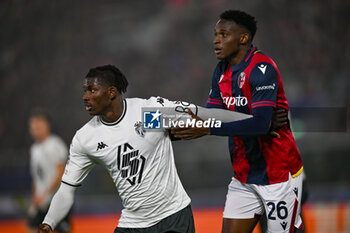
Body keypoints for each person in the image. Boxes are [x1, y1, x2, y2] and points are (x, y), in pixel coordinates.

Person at [38, 64, 255, 233]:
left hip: (173, 216)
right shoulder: (86, 138)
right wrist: (49, 222)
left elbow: (204, 114)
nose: (85, 97)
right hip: (133, 223)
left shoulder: (147, 115)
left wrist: (253, 122)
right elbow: (67, 189)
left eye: (92, 90)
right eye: (84, 90)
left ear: (111, 92)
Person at [171, 10, 304, 233]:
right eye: (215, 34)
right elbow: (211, 115)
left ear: (243, 38)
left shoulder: (262, 69)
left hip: (278, 176)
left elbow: (260, 125)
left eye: (223, 34)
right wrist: (166, 130)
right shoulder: (221, 71)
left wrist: (208, 130)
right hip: (243, 176)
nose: (215, 40)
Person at [27, 110, 72, 233]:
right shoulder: (34, 149)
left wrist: (45, 195)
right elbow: (36, 178)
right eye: (32, 126)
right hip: (42, 201)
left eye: (38, 125)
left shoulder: (55, 145)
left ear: (47, 125)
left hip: (56, 199)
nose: (35, 128)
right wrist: (35, 197)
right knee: (32, 228)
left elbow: (60, 173)